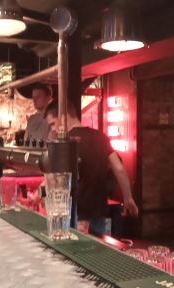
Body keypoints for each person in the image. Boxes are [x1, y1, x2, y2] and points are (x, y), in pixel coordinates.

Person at [44, 100, 139, 235]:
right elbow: (119, 168)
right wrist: (128, 198)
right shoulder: (101, 137)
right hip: (99, 211)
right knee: (97, 245)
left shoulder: (65, 142)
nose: (53, 129)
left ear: (63, 117)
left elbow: (55, 176)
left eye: (53, 124)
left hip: (75, 213)